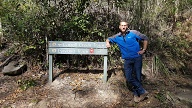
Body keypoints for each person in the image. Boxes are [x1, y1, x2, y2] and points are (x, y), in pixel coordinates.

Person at [106, 21, 149, 102]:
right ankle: (142, 91)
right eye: (122, 25)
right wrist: (107, 42)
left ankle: (137, 95)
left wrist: (143, 50)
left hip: (137, 58)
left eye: (125, 25)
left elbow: (145, 38)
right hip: (127, 60)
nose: (123, 27)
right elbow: (108, 38)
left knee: (138, 77)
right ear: (119, 27)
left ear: (127, 26)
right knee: (129, 78)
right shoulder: (117, 37)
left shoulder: (134, 33)